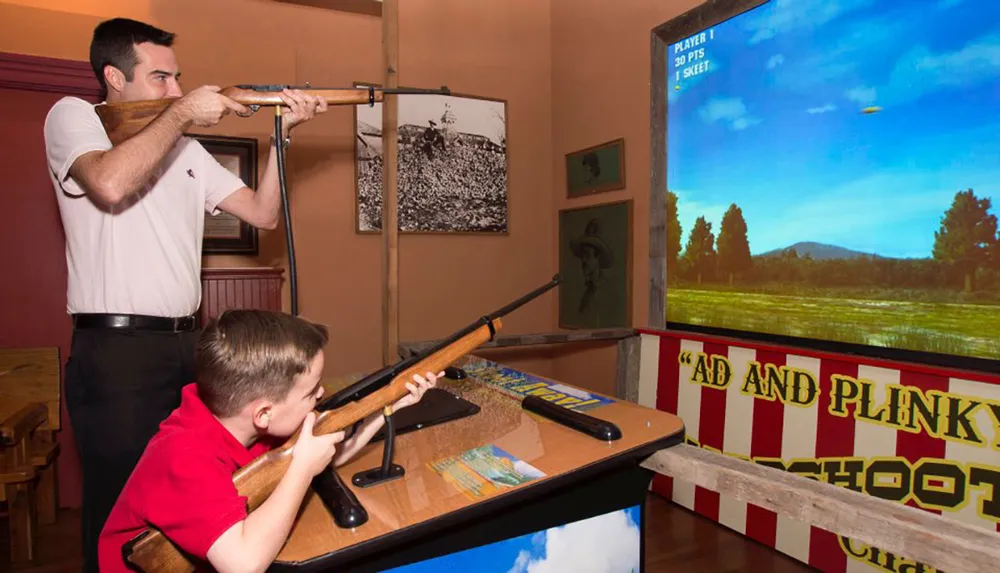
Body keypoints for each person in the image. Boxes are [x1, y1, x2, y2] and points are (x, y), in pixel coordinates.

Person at [42, 18, 328, 571]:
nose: (175, 90)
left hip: (187, 345)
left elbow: (263, 213)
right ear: (113, 78)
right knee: (119, 510)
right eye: (160, 78)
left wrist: (280, 135)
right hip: (117, 352)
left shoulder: (186, 149)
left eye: (177, 80)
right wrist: (182, 115)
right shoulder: (73, 117)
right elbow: (109, 183)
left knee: (203, 494)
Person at [98, 309, 442, 572]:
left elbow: (328, 454)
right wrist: (303, 468)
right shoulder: (183, 455)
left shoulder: (240, 423)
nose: (321, 394)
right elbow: (243, 564)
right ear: (263, 413)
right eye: (311, 392)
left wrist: (388, 406)